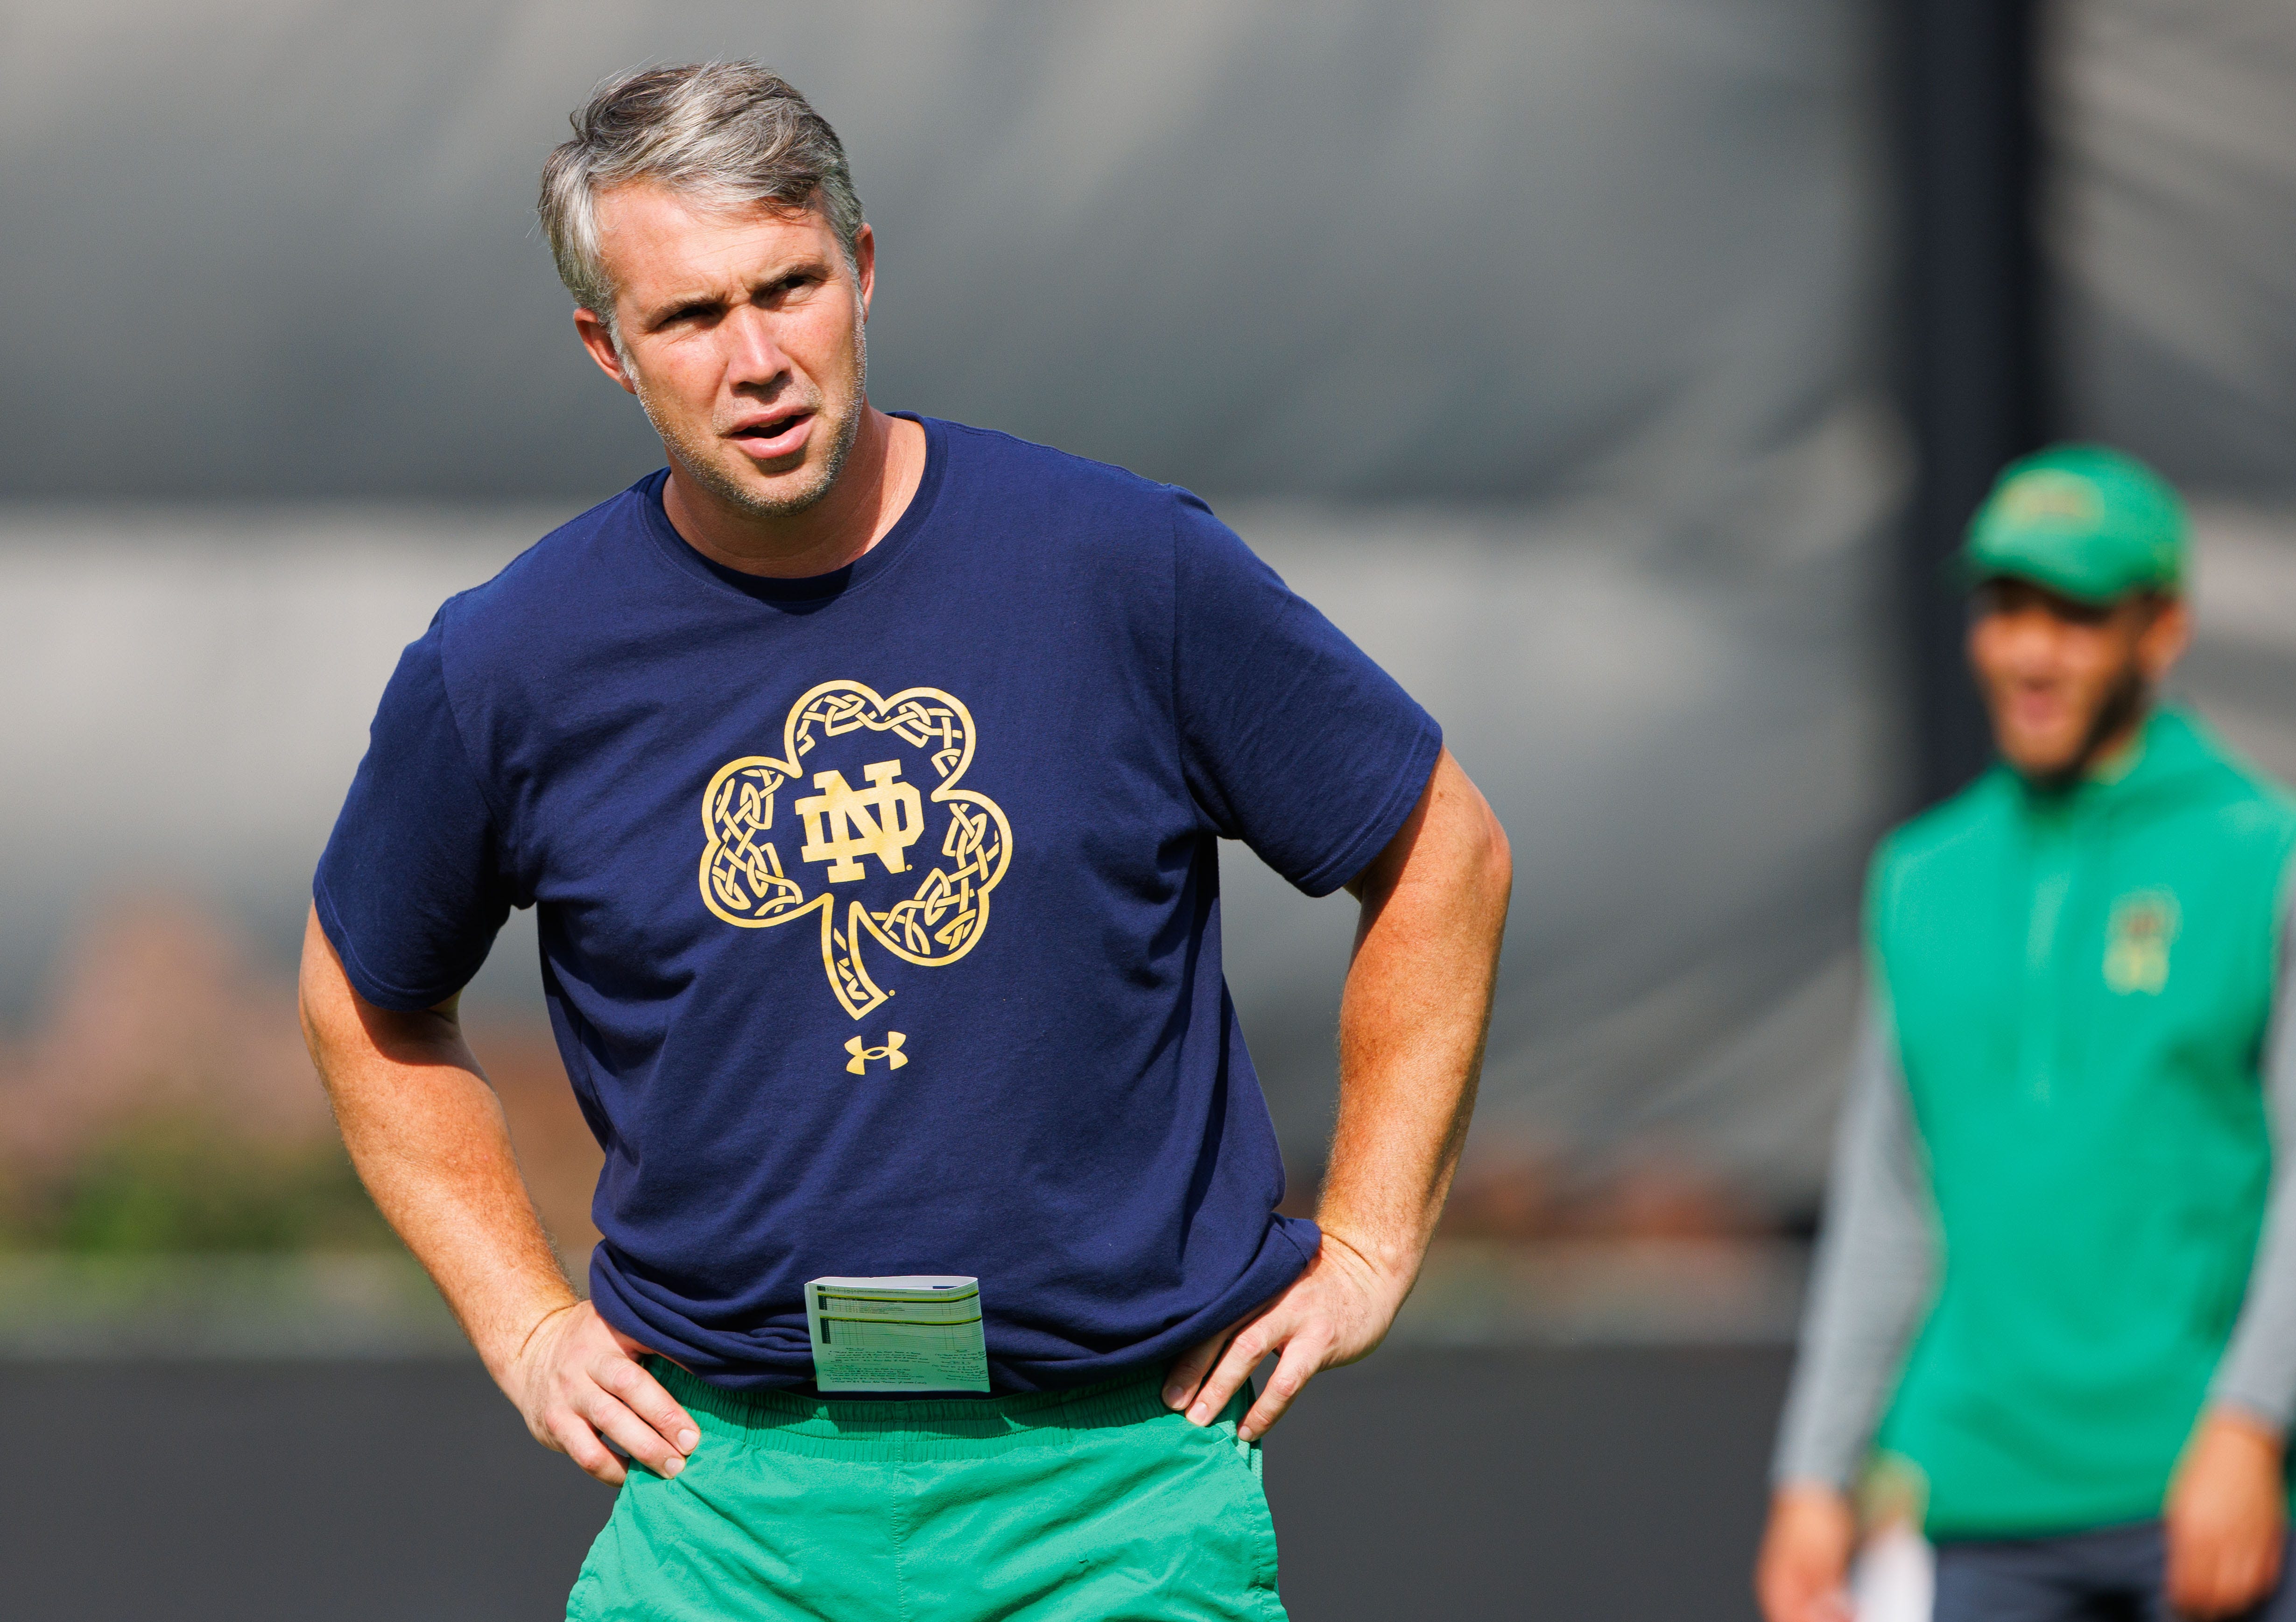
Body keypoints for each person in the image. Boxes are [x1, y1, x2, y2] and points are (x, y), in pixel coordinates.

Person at [297, 62, 1510, 1622]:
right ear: (608, 348)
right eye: (691, 317)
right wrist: (523, 1322)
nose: (757, 359)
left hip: (1119, 1497)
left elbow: (1441, 852)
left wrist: (1372, 1243)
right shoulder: (509, 664)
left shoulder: (1123, 568)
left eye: (788, 288)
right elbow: (362, 999)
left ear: (862, 270)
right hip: (725, 1502)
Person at [1754, 446, 2296, 1622]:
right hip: (1974, 1512)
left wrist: (2249, 1426)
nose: (2030, 652)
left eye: (2076, 613)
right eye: (2006, 608)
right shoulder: (1920, 878)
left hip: (2213, 1503)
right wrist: (1813, 1472)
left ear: (2161, 630)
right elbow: (1889, 1198)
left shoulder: (2277, 856)